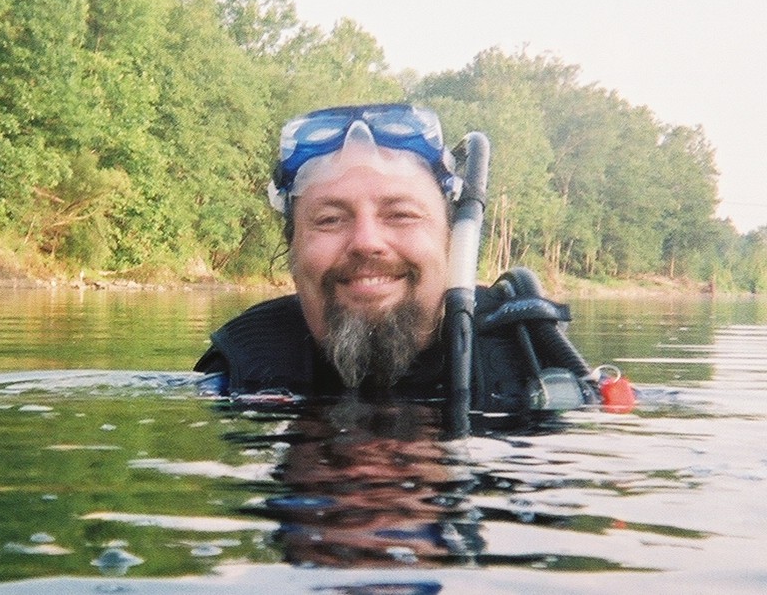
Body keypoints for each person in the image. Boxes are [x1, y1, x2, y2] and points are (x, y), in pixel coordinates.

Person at [194, 103, 600, 415]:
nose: (367, 242)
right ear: (293, 248)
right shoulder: (241, 368)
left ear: (450, 238)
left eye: (401, 214)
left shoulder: (531, 360)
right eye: (330, 219)